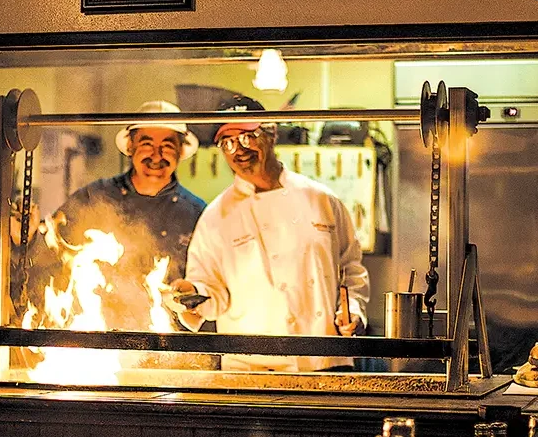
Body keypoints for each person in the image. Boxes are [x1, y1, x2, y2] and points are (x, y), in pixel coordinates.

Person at [166, 99, 369, 372]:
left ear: (271, 133)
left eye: (248, 136)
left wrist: (353, 310)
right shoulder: (216, 218)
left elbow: (351, 270)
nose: (239, 149)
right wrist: (192, 294)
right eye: (228, 142)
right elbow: (210, 291)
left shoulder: (322, 200)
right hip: (250, 370)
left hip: (324, 361)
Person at [48, 101, 205, 332]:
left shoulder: (198, 214)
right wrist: (24, 235)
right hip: (100, 339)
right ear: (130, 146)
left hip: (169, 348)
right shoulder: (93, 199)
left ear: (181, 151)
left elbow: (210, 286)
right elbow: (50, 251)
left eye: (167, 145)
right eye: (146, 143)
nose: (156, 155)